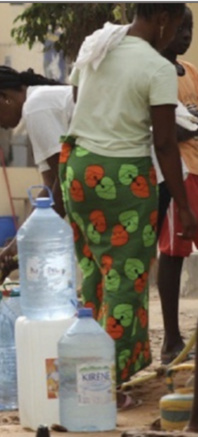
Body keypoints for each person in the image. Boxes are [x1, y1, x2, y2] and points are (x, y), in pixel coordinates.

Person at [59, 3, 196, 407]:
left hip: (79, 168)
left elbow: (79, 102)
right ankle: (104, 386)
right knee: (125, 278)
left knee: (94, 274)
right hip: (122, 177)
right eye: (175, 27)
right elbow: (165, 143)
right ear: (162, 20)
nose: (174, 36)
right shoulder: (156, 68)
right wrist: (185, 209)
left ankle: (81, 368)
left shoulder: (97, 44)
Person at [0, 66, 72, 275]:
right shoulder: (35, 109)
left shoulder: (36, 106)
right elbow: (50, 189)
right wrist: (21, 239)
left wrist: (29, 243)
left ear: (4, 97)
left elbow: (65, 183)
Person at [157, 6, 198, 365]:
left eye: (191, 28)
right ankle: (171, 338)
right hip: (177, 174)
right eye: (180, 27)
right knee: (173, 254)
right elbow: (171, 130)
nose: (186, 34)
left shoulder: (192, 73)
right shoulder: (155, 71)